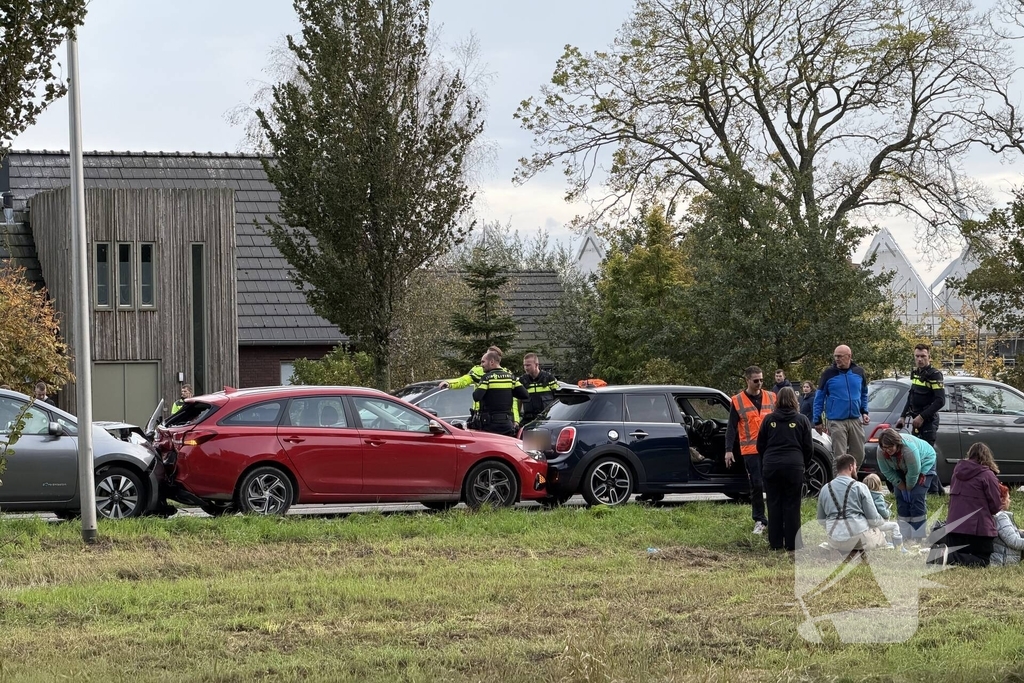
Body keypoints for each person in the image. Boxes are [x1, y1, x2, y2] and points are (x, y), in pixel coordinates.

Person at [756, 387, 812, 551]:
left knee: (774, 504)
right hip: (794, 466)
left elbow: (760, 445)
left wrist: (766, 461)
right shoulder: (801, 420)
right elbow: (808, 447)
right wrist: (803, 464)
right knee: (793, 504)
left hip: (771, 465)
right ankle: (792, 543)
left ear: (777, 400)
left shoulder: (768, 419)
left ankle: (775, 543)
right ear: (795, 401)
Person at [725, 366, 776, 535]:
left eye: (761, 380)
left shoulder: (771, 397)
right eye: (756, 380)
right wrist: (728, 450)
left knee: (772, 484)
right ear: (747, 380)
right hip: (750, 450)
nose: (759, 383)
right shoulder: (738, 401)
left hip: (770, 449)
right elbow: (731, 428)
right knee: (756, 485)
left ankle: (775, 517)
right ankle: (760, 519)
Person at [940, 442, 1002, 567]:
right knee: (983, 560)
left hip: (953, 529)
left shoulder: (956, 473)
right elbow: (995, 506)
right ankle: (946, 557)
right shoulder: (987, 475)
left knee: (962, 552)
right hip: (977, 530)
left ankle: (946, 554)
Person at [895, 343, 946, 496]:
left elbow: (940, 401)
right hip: (915, 420)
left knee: (927, 455)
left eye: (923, 356)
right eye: (917, 356)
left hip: (928, 421)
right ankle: (938, 491)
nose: (920, 359)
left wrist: (922, 416)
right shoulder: (917, 373)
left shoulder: (935, 374)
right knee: (918, 454)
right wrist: (903, 416)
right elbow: (911, 396)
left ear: (929, 357)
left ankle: (933, 492)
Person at [817, 453, 888, 552]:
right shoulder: (860, 487)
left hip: (834, 541)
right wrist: (883, 521)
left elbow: (821, 519)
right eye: (855, 466)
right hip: (858, 539)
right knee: (880, 533)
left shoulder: (824, 489)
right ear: (851, 467)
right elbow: (873, 518)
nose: (856, 469)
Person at [812, 345, 870, 465]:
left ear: (849, 356)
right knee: (840, 457)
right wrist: (817, 420)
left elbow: (864, 393)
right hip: (836, 421)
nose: (837, 359)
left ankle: (852, 480)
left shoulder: (859, 372)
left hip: (855, 419)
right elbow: (819, 398)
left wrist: (864, 411)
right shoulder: (828, 374)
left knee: (859, 455)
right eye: (835, 356)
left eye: (840, 356)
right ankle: (838, 482)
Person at [876, 429, 937, 542]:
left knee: (916, 496)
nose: (887, 450)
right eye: (885, 447)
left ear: (897, 444)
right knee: (900, 497)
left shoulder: (908, 450)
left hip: (924, 462)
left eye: (891, 447)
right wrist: (901, 486)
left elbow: (914, 473)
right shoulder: (881, 451)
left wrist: (908, 488)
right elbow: (887, 472)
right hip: (899, 466)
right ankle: (904, 534)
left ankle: (917, 535)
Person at [440, 345, 505, 427]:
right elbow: (463, 380)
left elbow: (513, 400)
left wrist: (516, 420)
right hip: (480, 415)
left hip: (499, 416)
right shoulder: (478, 371)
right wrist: (449, 383)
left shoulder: (505, 374)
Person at [472, 350, 528, 436]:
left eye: (483, 362)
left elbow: (476, 397)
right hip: (507, 424)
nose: (481, 365)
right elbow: (525, 395)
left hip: (490, 426)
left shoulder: (487, 378)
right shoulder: (510, 377)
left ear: (491, 362)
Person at [518, 352, 560, 425]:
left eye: (528, 365)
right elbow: (517, 402)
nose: (526, 368)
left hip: (546, 420)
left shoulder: (549, 379)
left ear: (536, 365)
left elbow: (558, 399)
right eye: (524, 365)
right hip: (528, 421)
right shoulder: (521, 381)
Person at [991, 484, 1024, 567]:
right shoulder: (1000, 517)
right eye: (1008, 498)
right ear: (1002, 500)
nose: (1010, 501)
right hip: (1005, 559)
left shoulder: (993, 514)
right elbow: (1014, 541)